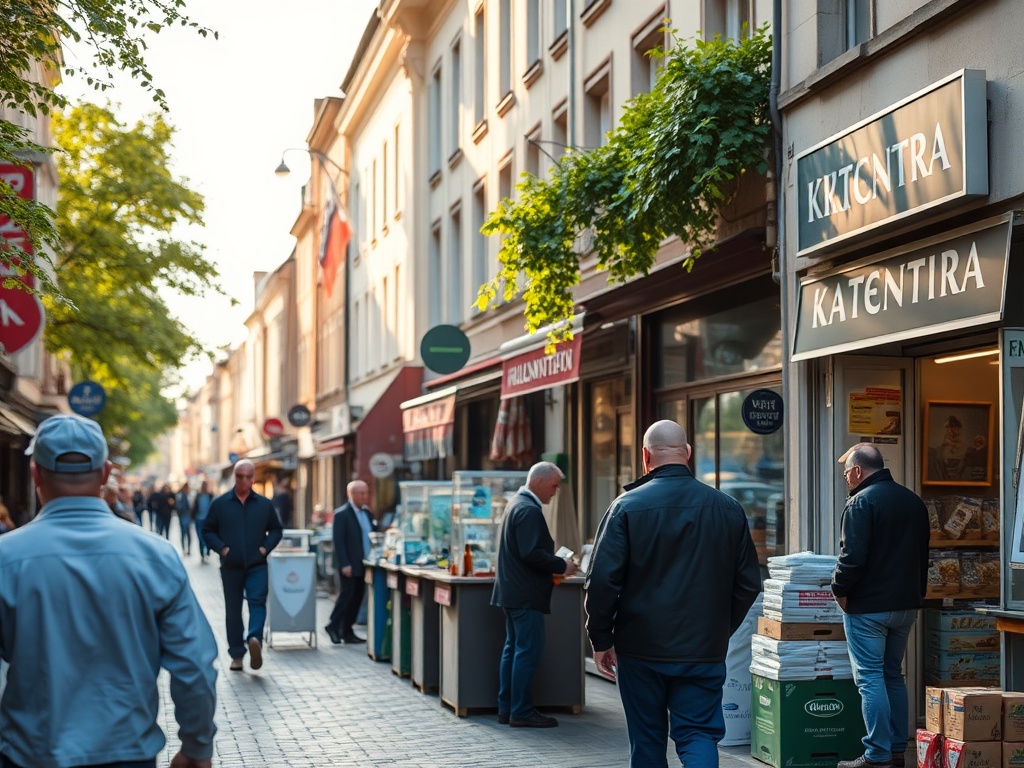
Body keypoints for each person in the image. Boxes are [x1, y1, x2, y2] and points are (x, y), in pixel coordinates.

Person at [0, 413, 217, 768]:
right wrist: (196, 745)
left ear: (35, 473)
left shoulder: (6, 559)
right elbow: (194, 665)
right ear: (105, 473)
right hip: (127, 752)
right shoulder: (156, 557)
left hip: (31, 753)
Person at [585, 419, 761, 768]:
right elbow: (748, 584)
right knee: (698, 734)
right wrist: (718, 629)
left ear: (645, 456)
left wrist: (601, 638)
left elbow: (602, 581)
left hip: (640, 647)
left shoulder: (625, 507)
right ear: (688, 453)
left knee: (647, 741)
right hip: (702, 648)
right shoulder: (728, 508)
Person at [832, 443, 930, 768]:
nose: (845, 479)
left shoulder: (860, 502)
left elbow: (851, 558)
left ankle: (877, 754)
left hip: (869, 608)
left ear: (858, 471)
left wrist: (839, 590)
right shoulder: (913, 501)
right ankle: (898, 749)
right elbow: (923, 556)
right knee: (893, 675)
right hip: (905, 606)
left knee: (870, 678)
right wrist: (917, 595)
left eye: (846, 473)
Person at [491, 461, 578, 728]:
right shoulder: (528, 509)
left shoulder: (516, 504)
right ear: (539, 481)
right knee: (527, 652)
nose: (555, 491)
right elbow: (531, 553)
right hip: (525, 594)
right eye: (553, 485)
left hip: (512, 592)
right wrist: (562, 565)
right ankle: (521, 710)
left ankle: (507, 708)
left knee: (514, 649)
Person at [202, 459, 283, 672]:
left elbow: (276, 530)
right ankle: (236, 655)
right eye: (240, 476)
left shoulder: (264, 504)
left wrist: (264, 549)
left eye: (248, 476)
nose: (244, 480)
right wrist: (223, 549)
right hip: (231, 566)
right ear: (234, 477)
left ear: (253, 478)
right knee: (233, 610)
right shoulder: (220, 504)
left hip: (257, 564)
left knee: (257, 602)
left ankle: (254, 638)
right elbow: (207, 530)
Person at [324, 479, 374, 645]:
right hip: (349, 564)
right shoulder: (342, 514)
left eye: (366, 493)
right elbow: (338, 542)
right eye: (361, 493)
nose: (365, 496)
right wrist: (345, 564)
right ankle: (333, 625)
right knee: (347, 596)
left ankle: (347, 631)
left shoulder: (367, 513)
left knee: (357, 597)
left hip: (364, 563)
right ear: (351, 494)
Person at [192, 480, 214, 562]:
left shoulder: (210, 496)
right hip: (199, 519)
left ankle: (207, 553)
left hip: (207, 520)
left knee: (207, 538)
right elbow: (194, 507)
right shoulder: (198, 496)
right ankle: (202, 554)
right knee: (200, 538)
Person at [176, 481, 193, 555]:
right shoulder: (180, 495)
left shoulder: (190, 495)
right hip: (182, 516)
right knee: (183, 533)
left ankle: (188, 549)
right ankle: (183, 548)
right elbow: (177, 506)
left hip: (188, 517)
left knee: (188, 534)